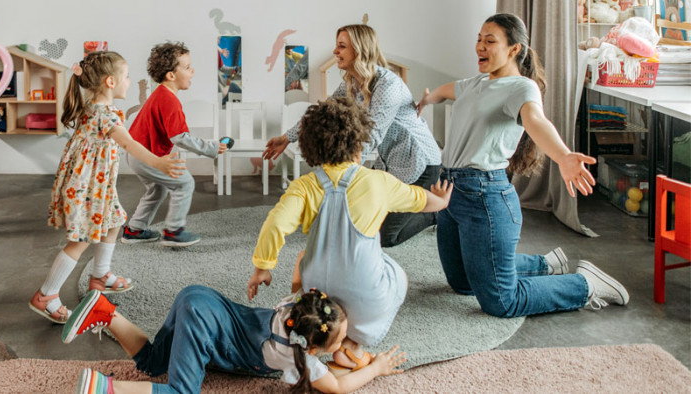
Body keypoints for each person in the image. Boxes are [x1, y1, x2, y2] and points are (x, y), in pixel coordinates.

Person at [414, 13, 629, 318]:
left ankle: (585, 284)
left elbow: (535, 121)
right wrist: (428, 98)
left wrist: (564, 156)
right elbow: (447, 90)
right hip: (450, 192)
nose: (480, 46)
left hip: (483, 198)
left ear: (514, 49)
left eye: (490, 41)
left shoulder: (521, 88)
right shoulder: (475, 83)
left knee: (502, 301)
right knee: (462, 284)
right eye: (479, 39)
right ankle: (546, 264)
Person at [248, 96, 452, 368]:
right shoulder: (377, 181)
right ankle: (352, 342)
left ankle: (325, 329)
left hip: (317, 298)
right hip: (367, 304)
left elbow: (275, 224)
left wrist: (263, 266)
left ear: (311, 148)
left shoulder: (304, 186)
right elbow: (421, 200)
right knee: (397, 274)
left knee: (303, 257)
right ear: (358, 143)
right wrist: (442, 201)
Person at [33, 51, 186, 323]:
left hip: (97, 186)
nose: (129, 81)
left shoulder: (93, 108)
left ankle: (101, 275)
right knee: (80, 241)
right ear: (111, 82)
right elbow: (130, 144)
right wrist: (159, 162)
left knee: (115, 221)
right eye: (126, 77)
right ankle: (47, 295)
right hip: (88, 188)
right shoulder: (106, 117)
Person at [262, 24, 443, 247]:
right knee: (362, 223)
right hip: (390, 163)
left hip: (420, 162)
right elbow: (323, 113)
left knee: (385, 237)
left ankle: (439, 214)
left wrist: (345, 170)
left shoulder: (389, 85)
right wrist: (286, 137)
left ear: (359, 50)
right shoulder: (352, 83)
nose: (335, 51)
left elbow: (372, 133)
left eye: (341, 46)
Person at [63, 286, 406, 394]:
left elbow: (302, 268)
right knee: (182, 392)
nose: (349, 342)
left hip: (197, 298)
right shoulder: (298, 357)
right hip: (203, 323)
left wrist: (338, 348)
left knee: (155, 363)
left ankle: (107, 312)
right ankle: (105, 388)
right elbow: (337, 387)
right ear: (313, 349)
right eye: (344, 337)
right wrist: (375, 368)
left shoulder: (294, 306)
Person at [121, 42, 227, 247]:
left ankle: (134, 230)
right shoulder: (168, 99)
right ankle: (173, 231)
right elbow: (180, 137)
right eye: (187, 67)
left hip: (138, 155)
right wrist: (212, 148)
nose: (192, 71)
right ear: (171, 75)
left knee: (157, 190)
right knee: (185, 183)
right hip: (146, 156)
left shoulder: (161, 95)